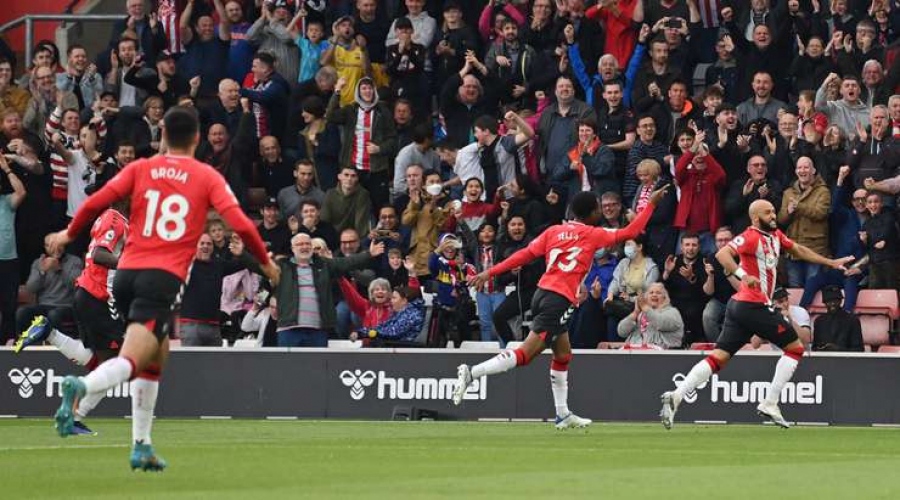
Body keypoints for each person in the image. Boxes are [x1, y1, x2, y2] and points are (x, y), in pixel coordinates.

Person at [45, 107, 279, 471]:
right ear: (198, 139)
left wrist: (66, 234)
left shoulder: (140, 168)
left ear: (163, 137)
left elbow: (95, 201)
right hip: (161, 278)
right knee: (135, 358)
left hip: (124, 277)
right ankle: (82, 387)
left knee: (157, 355)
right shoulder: (205, 175)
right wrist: (265, 261)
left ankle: (142, 444)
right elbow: (242, 225)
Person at [456, 186, 670, 430]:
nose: (600, 211)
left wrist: (489, 272)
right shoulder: (593, 233)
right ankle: (472, 373)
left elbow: (524, 255)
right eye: (598, 208)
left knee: (563, 355)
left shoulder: (554, 231)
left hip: (543, 293)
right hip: (558, 300)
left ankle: (563, 414)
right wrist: (650, 203)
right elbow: (632, 231)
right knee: (525, 354)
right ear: (590, 213)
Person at [659, 199, 853, 430]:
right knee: (795, 348)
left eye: (773, 211)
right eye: (767, 212)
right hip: (753, 305)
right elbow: (723, 254)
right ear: (755, 217)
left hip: (740, 307)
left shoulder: (776, 235)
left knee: (718, 357)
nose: (773, 215)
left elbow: (798, 249)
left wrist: (829, 262)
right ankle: (770, 402)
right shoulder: (751, 236)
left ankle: (677, 395)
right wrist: (743, 274)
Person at [14, 205, 129, 435]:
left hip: (92, 295)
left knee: (103, 365)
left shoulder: (120, 221)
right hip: (99, 297)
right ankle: (74, 414)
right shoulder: (114, 219)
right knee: (113, 368)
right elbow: (98, 254)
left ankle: (50, 334)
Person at [617, 283, 684, 350]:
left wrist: (644, 307)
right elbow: (622, 332)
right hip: (633, 353)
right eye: (651, 293)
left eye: (658, 293)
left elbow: (660, 323)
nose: (654, 295)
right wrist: (636, 312)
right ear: (646, 298)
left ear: (664, 297)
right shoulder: (640, 314)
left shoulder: (673, 312)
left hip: (660, 355)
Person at [812, 286, 864, 352]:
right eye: (829, 301)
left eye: (835, 300)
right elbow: (815, 348)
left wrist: (839, 349)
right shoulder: (819, 321)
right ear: (824, 303)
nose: (832, 303)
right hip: (824, 360)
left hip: (846, 360)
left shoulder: (852, 320)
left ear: (840, 301)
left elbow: (859, 349)